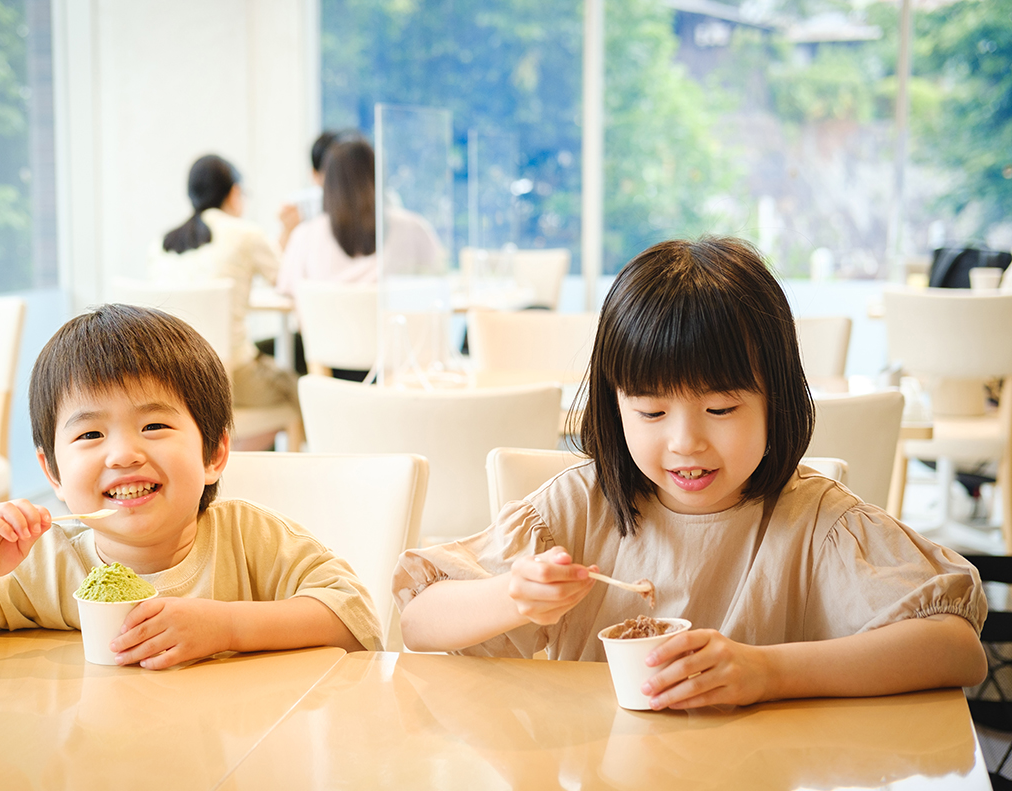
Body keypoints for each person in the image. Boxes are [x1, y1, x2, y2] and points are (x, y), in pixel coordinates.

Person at [394, 236, 987, 710]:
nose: (685, 443)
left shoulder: (815, 523)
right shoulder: (579, 509)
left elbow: (958, 649)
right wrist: (514, 596)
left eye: (722, 409)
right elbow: (418, 621)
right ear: (613, 403)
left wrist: (768, 672)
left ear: (774, 399)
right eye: (651, 411)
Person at [0, 304, 381, 667]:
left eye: (154, 425)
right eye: (90, 433)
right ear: (53, 474)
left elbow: (356, 619)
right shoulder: (46, 565)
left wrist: (228, 628)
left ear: (215, 453)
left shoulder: (250, 540)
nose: (123, 453)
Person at [150, 154, 298, 419]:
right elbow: (287, 280)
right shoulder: (246, 234)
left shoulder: (164, 244)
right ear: (234, 193)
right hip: (232, 379)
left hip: (172, 380)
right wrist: (290, 231)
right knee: (297, 389)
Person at [277, 136, 443, 298]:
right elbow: (439, 280)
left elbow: (286, 289)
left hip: (325, 326)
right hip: (393, 326)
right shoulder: (412, 228)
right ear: (377, 177)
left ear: (329, 183)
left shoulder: (305, 235)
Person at [277, 129, 344, 250]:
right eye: (332, 171)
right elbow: (280, 257)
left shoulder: (376, 207)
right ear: (315, 174)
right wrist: (288, 230)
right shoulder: (298, 206)